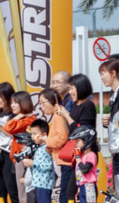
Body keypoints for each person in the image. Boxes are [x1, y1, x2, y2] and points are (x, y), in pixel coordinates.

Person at [55, 73, 97, 203]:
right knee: (72, 191)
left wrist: (66, 115)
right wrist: (62, 116)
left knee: (86, 187)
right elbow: (71, 131)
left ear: (80, 88)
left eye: (72, 89)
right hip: (77, 153)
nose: (70, 92)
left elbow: (82, 132)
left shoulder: (88, 105)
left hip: (87, 153)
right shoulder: (74, 105)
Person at [3, 91, 37, 203]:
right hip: (19, 157)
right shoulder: (25, 119)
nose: (12, 105)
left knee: (23, 192)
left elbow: (8, 127)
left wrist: (19, 115)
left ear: (23, 103)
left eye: (15, 103)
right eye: (11, 103)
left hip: (24, 157)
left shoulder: (29, 120)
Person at [38, 88, 70, 203]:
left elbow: (61, 138)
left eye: (43, 103)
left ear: (52, 101)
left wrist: (46, 140)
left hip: (66, 161)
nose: (41, 107)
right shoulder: (58, 115)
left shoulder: (58, 116)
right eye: (39, 103)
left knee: (65, 196)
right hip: (63, 161)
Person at [101, 59, 119, 199]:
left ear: (113, 73)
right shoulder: (113, 95)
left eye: (103, 73)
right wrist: (109, 122)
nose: (101, 77)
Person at [26, 120, 53, 203]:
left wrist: (33, 163)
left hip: (44, 183)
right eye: (31, 134)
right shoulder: (39, 148)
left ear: (44, 135)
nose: (32, 136)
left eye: (35, 134)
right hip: (38, 183)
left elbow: (48, 166)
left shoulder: (47, 148)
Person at [69, 127, 98, 203]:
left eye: (77, 141)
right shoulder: (82, 156)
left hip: (89, 186)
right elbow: (79, 174)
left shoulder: (91, 155)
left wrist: (78, 160)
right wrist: (78, 189)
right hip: (81, 186)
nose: (75, 144)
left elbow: (85, 170)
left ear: (86, 141)